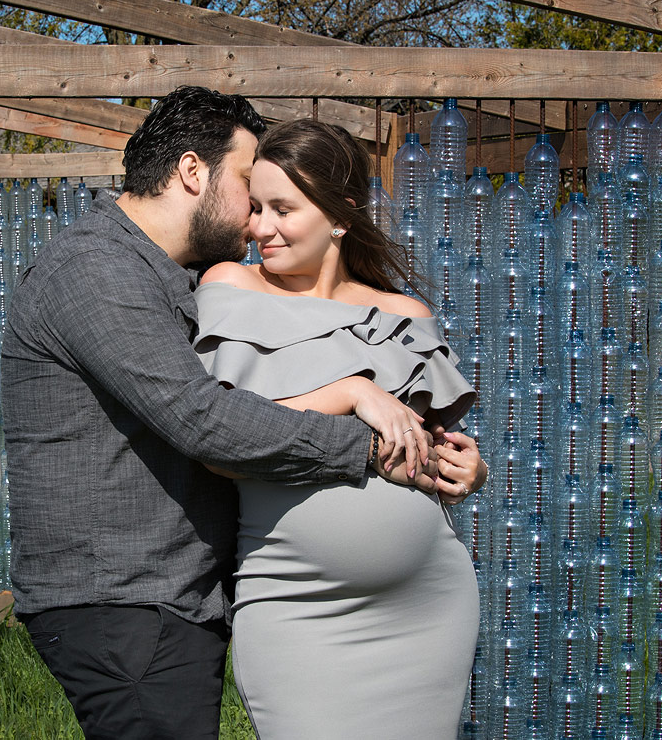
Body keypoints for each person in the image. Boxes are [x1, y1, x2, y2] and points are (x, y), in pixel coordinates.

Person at [0, 87, 466, 740]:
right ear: (194, 171)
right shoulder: (95, 270)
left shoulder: (169, 276)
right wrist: (368, 440)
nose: (254, 214)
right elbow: (205, 421)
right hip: (123, 602)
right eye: (250, 184)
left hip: (164, 602)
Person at [193, 118, 486, 739]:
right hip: (297, 601)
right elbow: (223, 443)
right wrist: (353, 392)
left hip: (425, 601)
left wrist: (467, 467)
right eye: (255, 208)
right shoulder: (232, 286)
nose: (259, 228)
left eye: (282, 209)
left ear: (341, 216)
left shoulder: (403, 315)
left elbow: (425, 441)